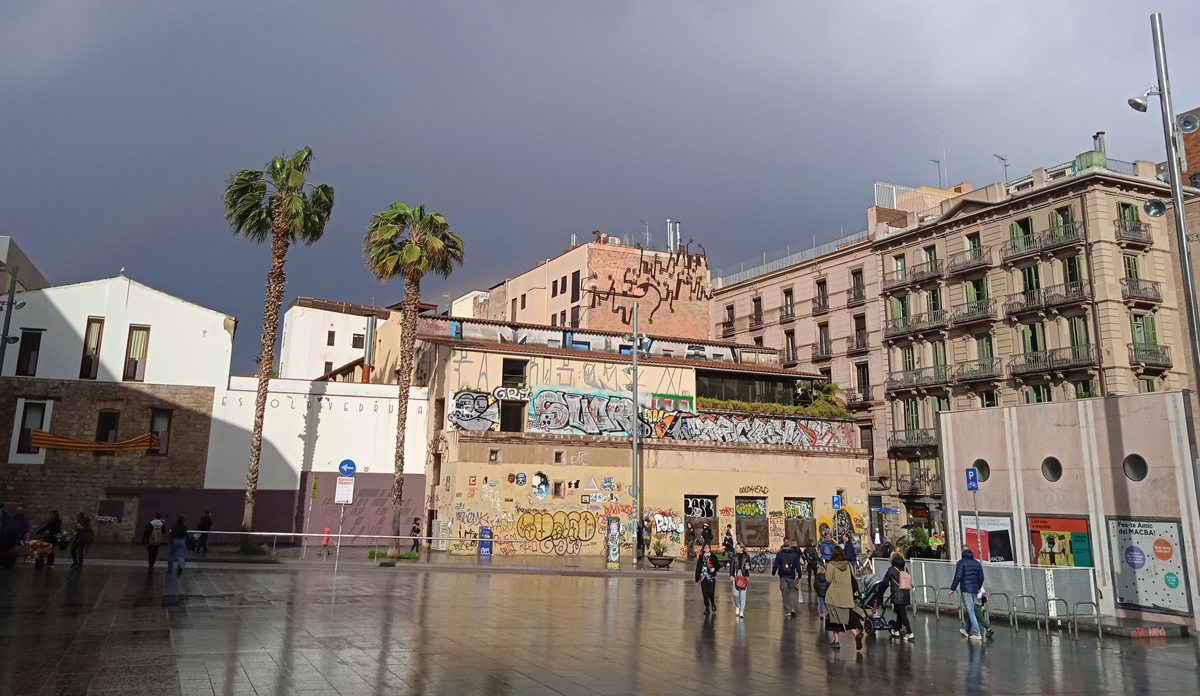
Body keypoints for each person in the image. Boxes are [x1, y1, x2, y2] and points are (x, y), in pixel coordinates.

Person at [824, 546, 865, 651]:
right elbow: (853, 578)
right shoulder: (849, 565)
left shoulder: (831, 565)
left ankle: (836, 641)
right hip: (847, 595)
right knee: (847, 618)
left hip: (834, 595)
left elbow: (828, 579)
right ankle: (856, 635)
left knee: (834, 619)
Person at [949, 545, 984, 640]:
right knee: (971, 610)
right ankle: (967, 630)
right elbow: (981, 577)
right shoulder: (977, 563)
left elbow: (958, 576)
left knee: (971, 611)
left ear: (962, 552)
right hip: (974, 590)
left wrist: (952, 588)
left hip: (966, 589)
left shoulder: (961, 563)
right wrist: (979, 586)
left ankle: (977, 633)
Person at [884, 554, 914, 641]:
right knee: (900, 613)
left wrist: (880, 589)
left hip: (897, 595)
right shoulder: (905, 570)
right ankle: (897, 629)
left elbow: (885, 581)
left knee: (902, 613)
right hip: (906, 594)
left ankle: (909, 632)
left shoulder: (892, 570)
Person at [771, 539, 800, 617]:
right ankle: (793, 608)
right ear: (790, 545)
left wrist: (773, 572)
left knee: (784, 593)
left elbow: (776, 564)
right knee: (791, 592)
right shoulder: (794, 554)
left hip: (783, 576)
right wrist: (799, 575)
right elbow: (797, 566)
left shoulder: (780, 554)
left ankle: (788, 611)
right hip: (791, 576)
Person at [694, 543, 722, 615]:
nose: (707, 549)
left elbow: (718, 565)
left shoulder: (713, 557)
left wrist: (714, 569)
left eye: (708, 547)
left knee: (711, 592)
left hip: (711, 577)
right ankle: (707, 608)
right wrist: (697, 579)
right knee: (705, 594)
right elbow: (698, 568)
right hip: (703, 577)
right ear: (703, 549)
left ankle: (712, 603)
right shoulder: (701, 557)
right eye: (705, 547)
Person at [728, 542, 751, 618]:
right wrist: (731, 575)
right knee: (735, 594)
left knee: (743, 595)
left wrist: (748, 568)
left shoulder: (746, 556)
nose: (736, 549)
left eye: (737, 547)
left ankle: (742, 611)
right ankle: (737, 605)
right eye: (736, 547)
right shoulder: (734, 556)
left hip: (744, 575)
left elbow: (749, 565)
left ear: (741, 548)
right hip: (736, 574)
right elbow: (731, 566)